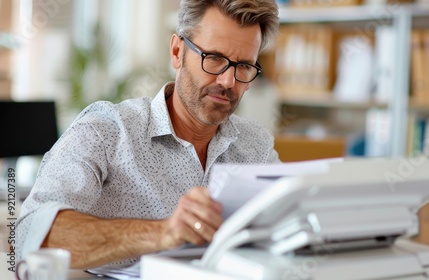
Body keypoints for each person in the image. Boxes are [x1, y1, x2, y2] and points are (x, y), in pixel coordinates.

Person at [16, 0, 280, 269]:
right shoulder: (106, 129)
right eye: (214, 58)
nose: (228, 81)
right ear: (177, 52)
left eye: (245, 66)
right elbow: (30, 234)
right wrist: (163, 233)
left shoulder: (255, 144)